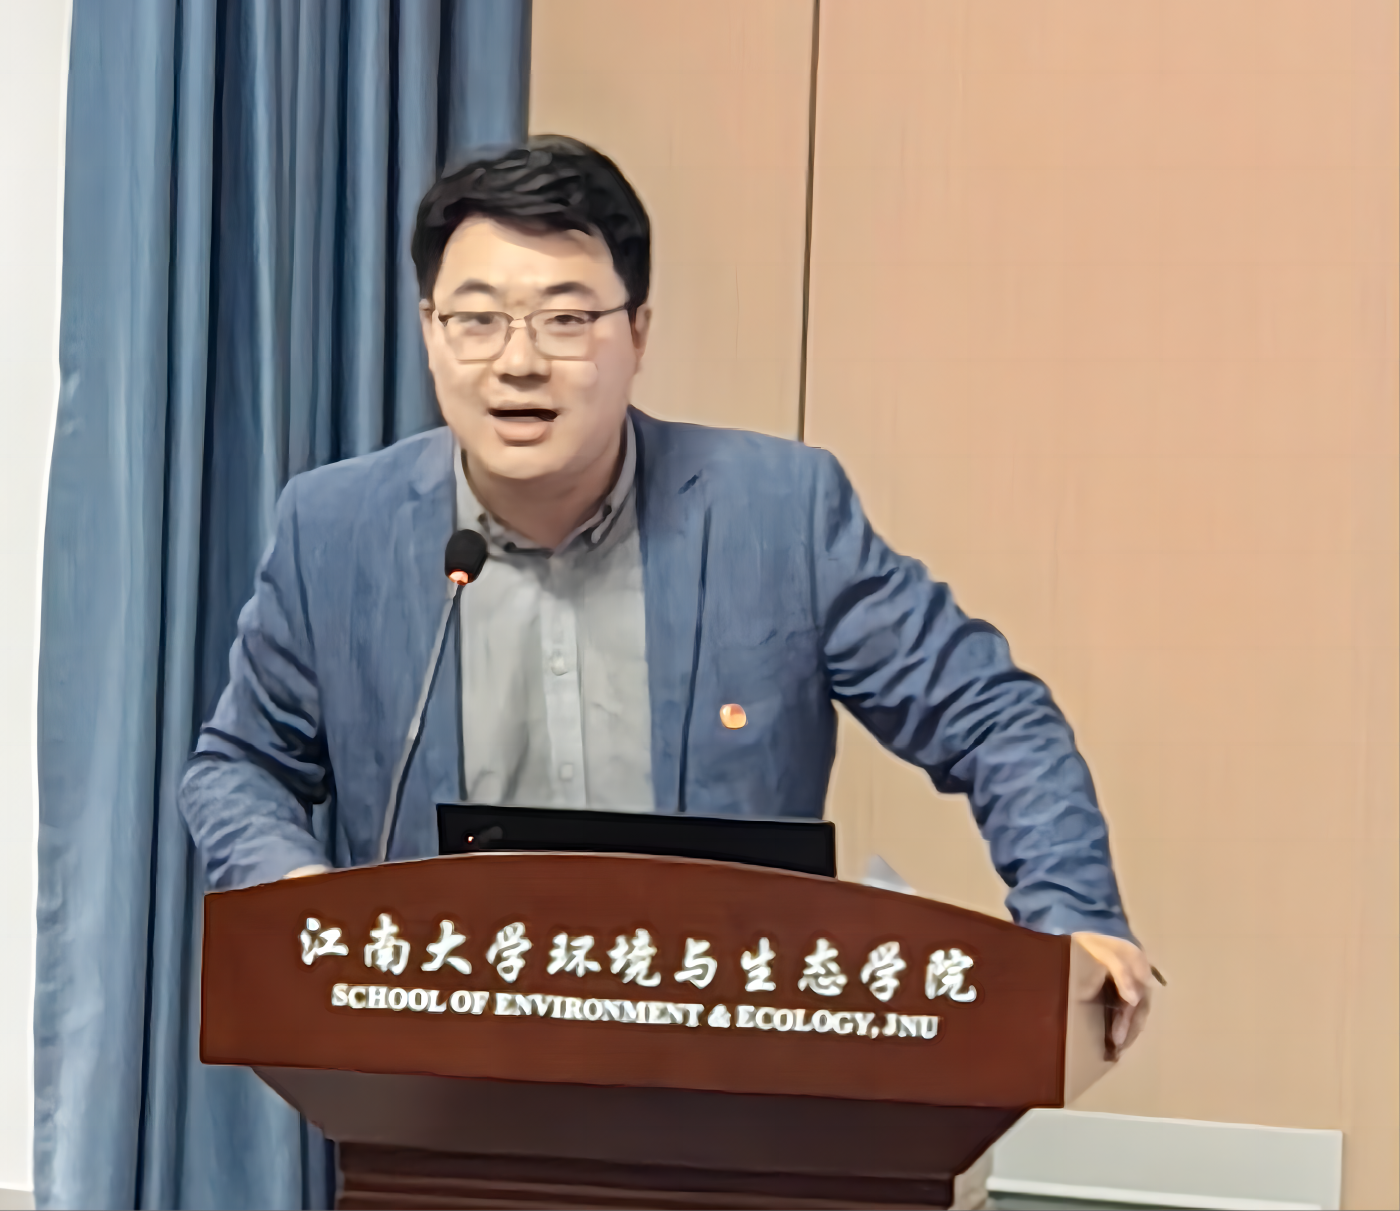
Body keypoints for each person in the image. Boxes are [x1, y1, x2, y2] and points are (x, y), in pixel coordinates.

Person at [180, 135, 1154, 1049]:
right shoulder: (337, 529)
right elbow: (237, 766)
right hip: (433, 1069)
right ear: (431, 333)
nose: (517, 361)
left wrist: (1071, 912)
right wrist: (294, 891)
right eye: (476, 319)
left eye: (566, 319)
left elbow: (989, 716)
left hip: (728, 1068)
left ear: (637, 333)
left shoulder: (776, 514)